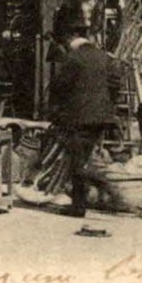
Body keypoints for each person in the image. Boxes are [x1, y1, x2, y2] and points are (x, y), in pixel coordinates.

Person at [48, 22, 117, 217]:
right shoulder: (104, 56)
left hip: (80, 118)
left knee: (77, 161)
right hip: (102, 117)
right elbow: (115, 83)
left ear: (71, 39)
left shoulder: (73, 58)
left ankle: (79, 206)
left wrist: (56, 112)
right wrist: (107, 106)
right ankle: (93, 191)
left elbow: (59, 86)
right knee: (85, 157)